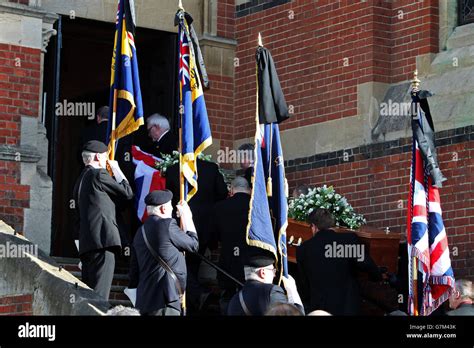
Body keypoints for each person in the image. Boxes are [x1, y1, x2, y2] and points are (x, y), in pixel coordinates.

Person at [73, 140, 133, 300]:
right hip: (103, 243)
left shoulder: (80, 179)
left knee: (90, 296)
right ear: (99, 157)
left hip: (87, 245)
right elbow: (127, 193)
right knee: (100, 297)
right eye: (106, 157)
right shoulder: (98, 174)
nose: (107, 160)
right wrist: (117, 169)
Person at [166, 158, 228, 311]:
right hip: (206, 225)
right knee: (191, 265)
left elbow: (170, 197)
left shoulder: (174, 169)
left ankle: (196, 296)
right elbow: (222, 193)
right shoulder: (211, 168)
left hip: (182, 224)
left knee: (185, 265)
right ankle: (196, 298)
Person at [296, 208, 382, 315]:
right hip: (347, 306)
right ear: (332, 224)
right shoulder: (348, 240)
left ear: (314, 227)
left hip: (320, 308)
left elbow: (304, 284)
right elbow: (367, 265)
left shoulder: (303, 249)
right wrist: (378, 276)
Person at [128, 190, 199, 316]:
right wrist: (188, 217)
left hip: (144, 301)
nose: (172, 209)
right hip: (165, 301)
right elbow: (193, 244)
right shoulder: (167, 225)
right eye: (171, 206)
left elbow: (134, 270)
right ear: (163, 209)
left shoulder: (139, 232)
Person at [209, 176, 251, 314]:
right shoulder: (256, 206)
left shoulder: (219, 207)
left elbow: (214, 235)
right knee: (250, 297)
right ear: (249, 190)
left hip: (227, 258)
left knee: (227, 297)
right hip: (250, 260)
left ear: (232, 189)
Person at [227, 250, 303, 316]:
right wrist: (292, 290)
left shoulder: (234, 300)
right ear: (262, 273)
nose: (274, 275)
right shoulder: (271, 291)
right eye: (273, 270)